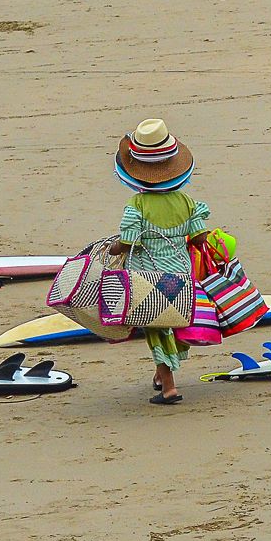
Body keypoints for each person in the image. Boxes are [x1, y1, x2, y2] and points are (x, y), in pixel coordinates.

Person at [108, 118, 210, 404]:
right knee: (173, 322)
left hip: (147, 277)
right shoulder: (187, 202)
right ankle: (159, 375)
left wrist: (114, 248)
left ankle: (169, 388)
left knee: (154, 327)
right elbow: (200, 239)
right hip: (180, 273)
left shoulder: (136, 206)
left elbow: (127, 243)